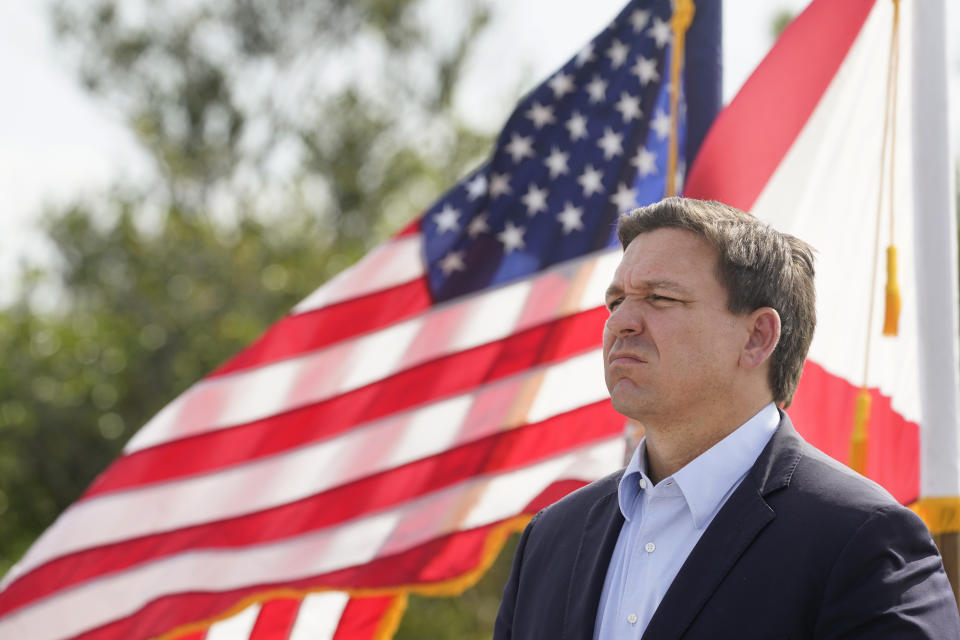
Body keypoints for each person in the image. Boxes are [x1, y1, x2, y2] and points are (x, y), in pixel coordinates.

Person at [493, 197, 960, 639]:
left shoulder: (863, 539)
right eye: (616, 301)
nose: (620, 323)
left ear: (757, 337)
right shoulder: (550, 539)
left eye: (660, 298)